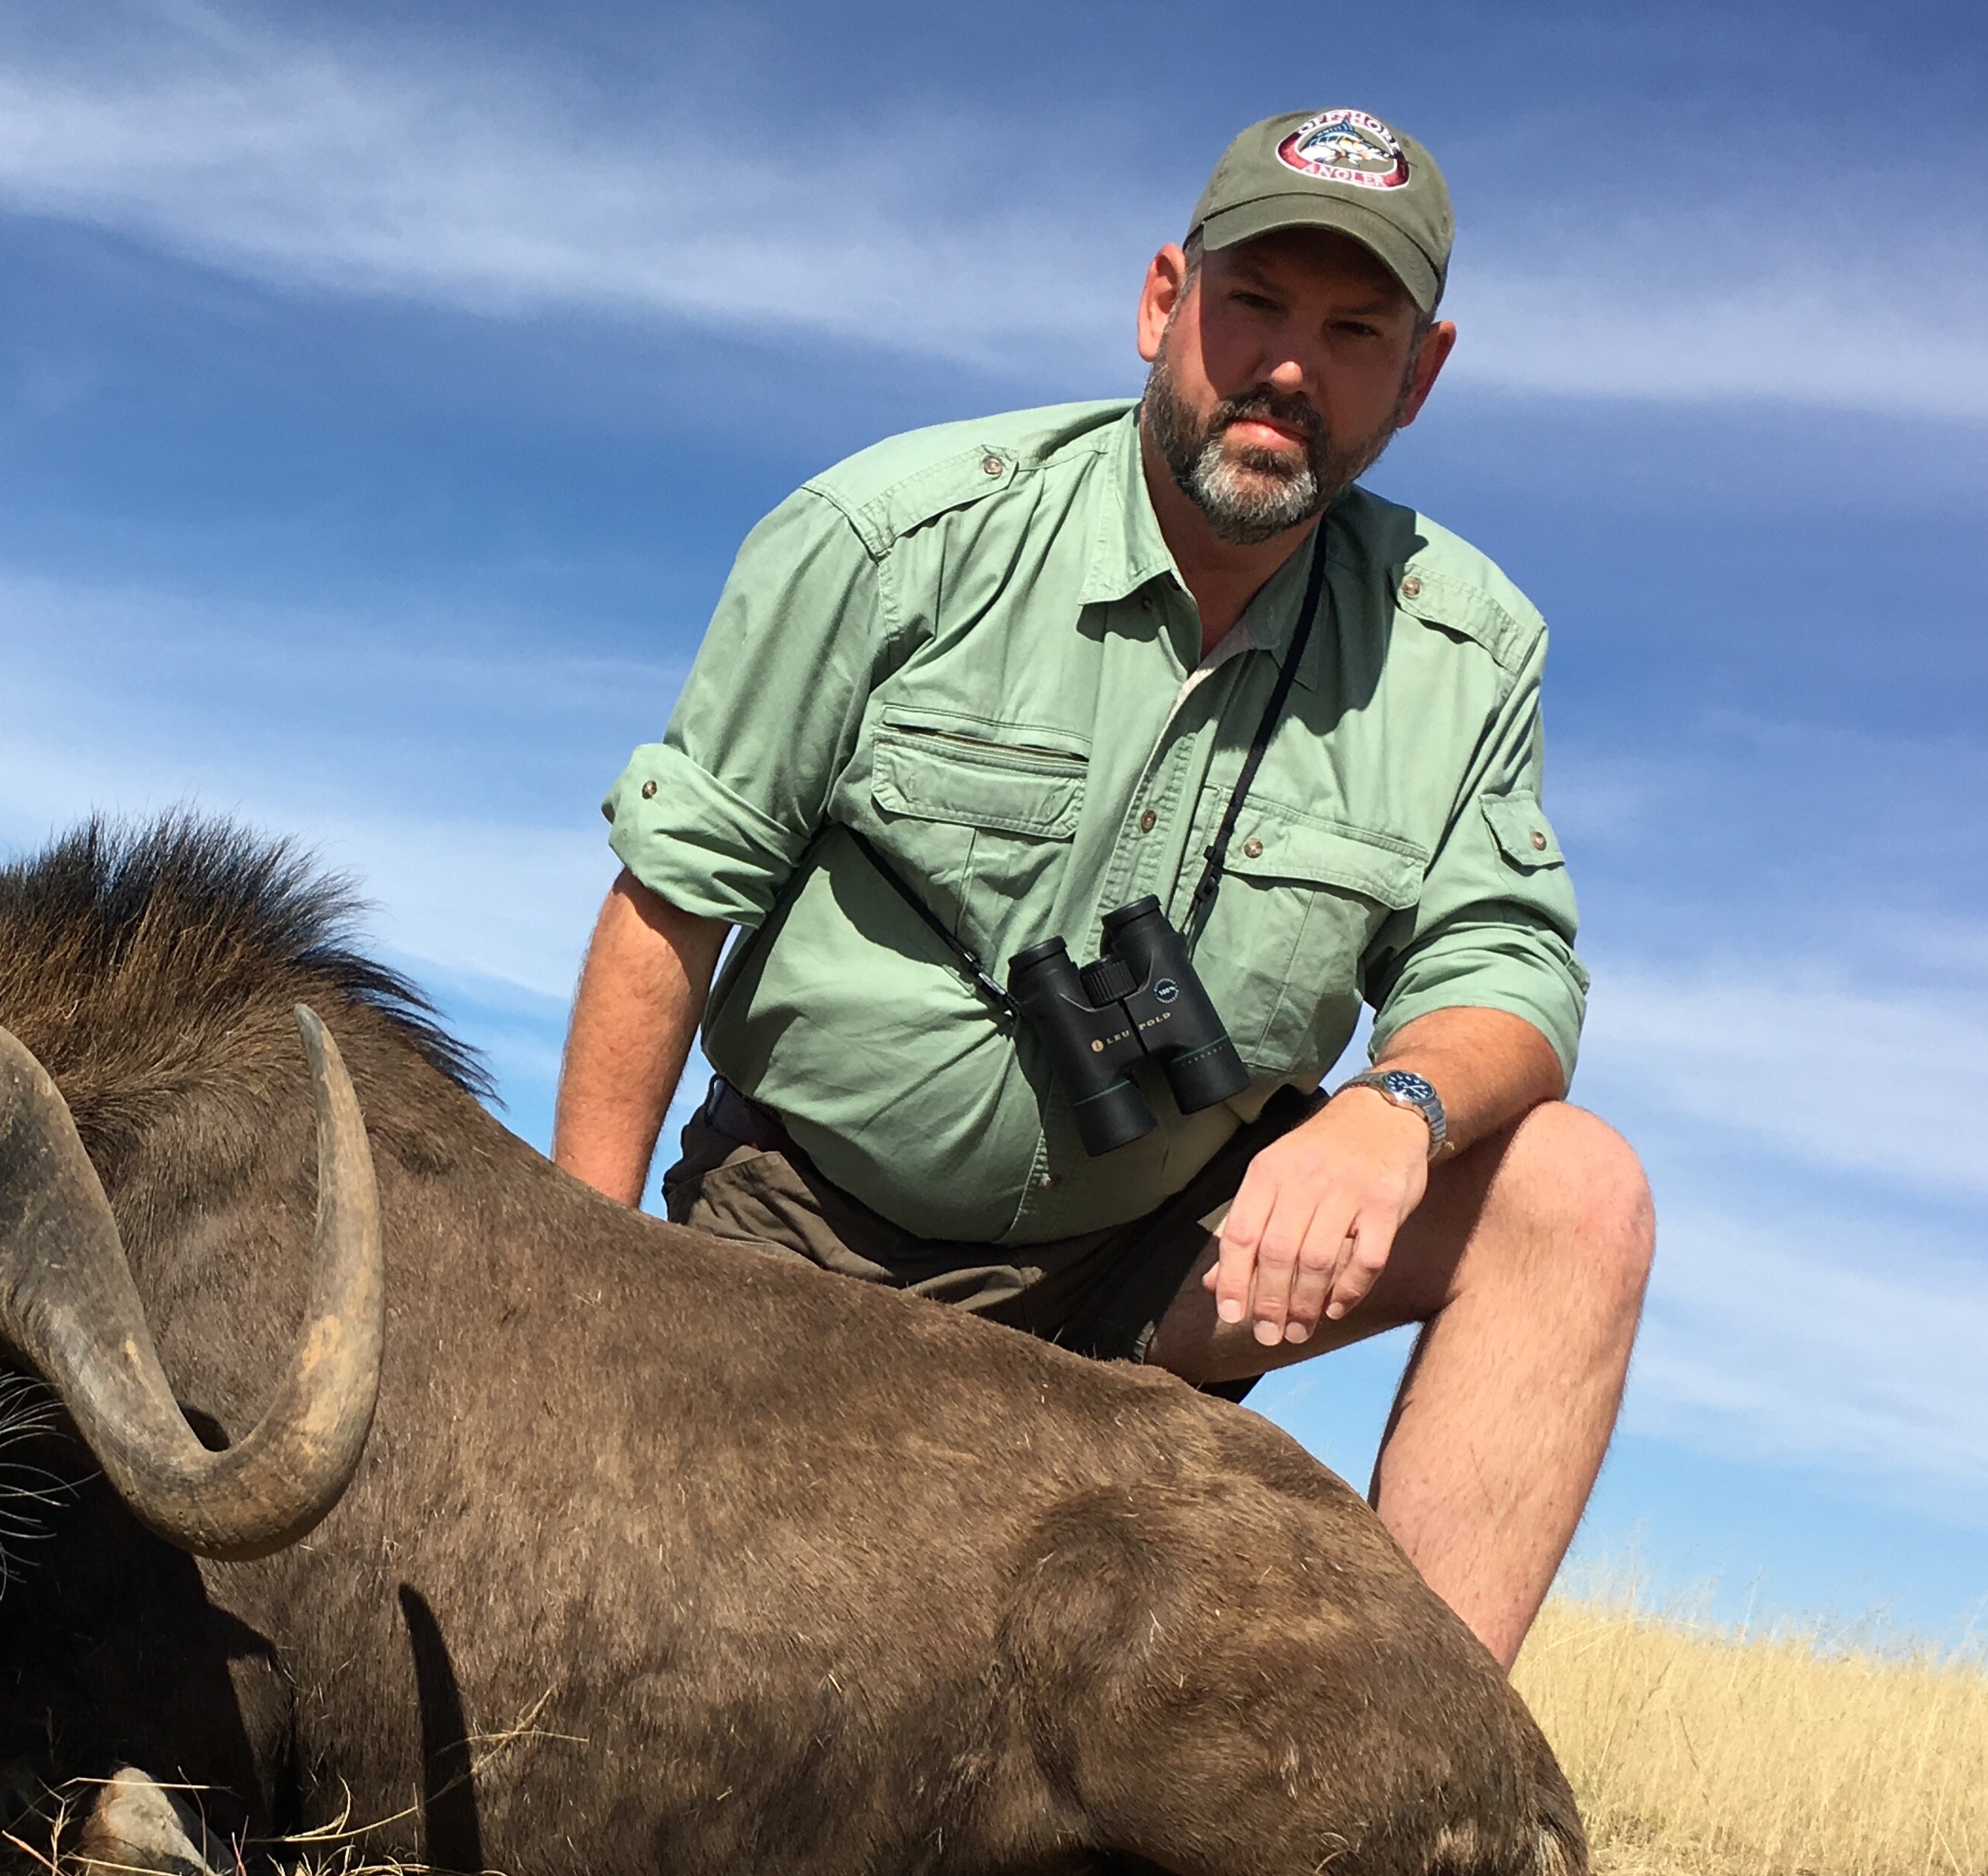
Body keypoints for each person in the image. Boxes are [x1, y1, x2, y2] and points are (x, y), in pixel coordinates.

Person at [550, 109, 1653, 1669]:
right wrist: (582, 1295)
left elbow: (1512, 977)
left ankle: (1414, 1800)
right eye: (1254, 303)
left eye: (1355, 333)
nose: (1289, 367)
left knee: (1574, 1192)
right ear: (1161, 303)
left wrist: (1389, 1112)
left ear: (1419, 378)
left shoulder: (1468, 651)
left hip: (1150, 1273)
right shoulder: (889, 533)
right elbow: (672, 899)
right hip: (808, 1240)